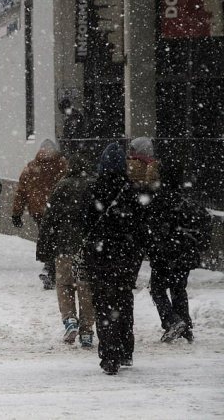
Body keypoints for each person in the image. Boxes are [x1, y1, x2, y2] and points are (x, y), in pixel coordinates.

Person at [83, 143, 144, 375]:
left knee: (104, 306)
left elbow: (86, 222)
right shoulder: (131, 191)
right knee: (124, 302)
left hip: (100, 257)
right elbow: (140, 227)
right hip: (125, 258)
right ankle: (126, 349)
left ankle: (109, 354)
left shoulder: (95, 189)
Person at [145, 165, 212, 344]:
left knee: (158, 290)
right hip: (184, 254)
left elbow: (151, 228)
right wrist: (198, 243)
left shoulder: (158, 200)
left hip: (164, 254)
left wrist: (152, 247)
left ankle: (173, 321)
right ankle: (185, 326)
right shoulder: (186, 199)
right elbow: (204, 220)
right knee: (178, 289)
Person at [38, 155, 96, 347]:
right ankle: (87, 331)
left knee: (64, 284)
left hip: (64, 245)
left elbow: (49, 218)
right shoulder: (93, 186)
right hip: (86, 247)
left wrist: (44, 246)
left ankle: (70, 319)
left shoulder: (62, 186)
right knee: (85, 286)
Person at [12, 139, 68, 289]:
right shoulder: (62, 165)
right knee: (57, 238)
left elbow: (21, 191)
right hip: (58, 209)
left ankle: (49, 267)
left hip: (38, 210)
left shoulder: (31, 167)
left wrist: (17, 212)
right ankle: (53, 268)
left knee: (46, 237)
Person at [126, 136, 161, 287]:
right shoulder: (151, 165)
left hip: (134, 210)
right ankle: (153, 278)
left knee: (134, 248)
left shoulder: (129, 164)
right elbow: (152, 185)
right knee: (145, 247)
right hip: (146, 210)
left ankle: (130, 277)